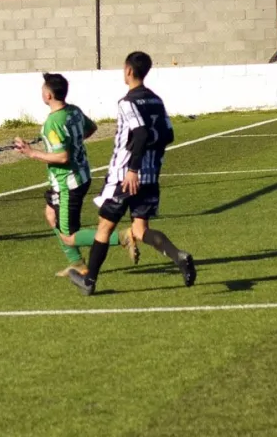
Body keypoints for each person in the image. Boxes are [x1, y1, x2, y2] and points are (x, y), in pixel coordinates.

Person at [67, 51, 195, 296]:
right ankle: (179, 257)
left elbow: (141, 133)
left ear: (128, 71)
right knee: (140, 230)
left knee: (104, 227)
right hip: (150, 175)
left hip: (126, 177)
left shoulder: (127, 102)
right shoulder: (156, 100)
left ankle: (89, 280)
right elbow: (167, 135)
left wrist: (133, 169)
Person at [14, 73, 139, 277]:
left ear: (48, 95)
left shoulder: (52, 123)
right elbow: (91, 128)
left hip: (68, 183)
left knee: (69, 236)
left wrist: (31, 153)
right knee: (50, 214)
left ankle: (122, 237)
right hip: (81, 175)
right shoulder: (74, 111)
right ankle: (77, 263)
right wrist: (74, 142)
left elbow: (62, 157)